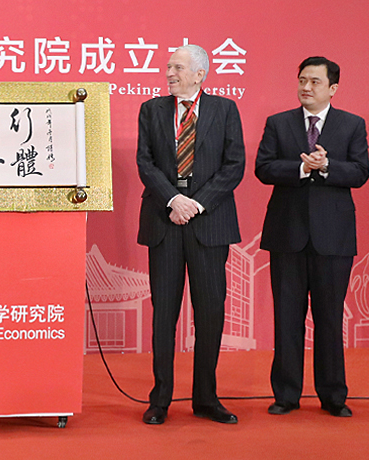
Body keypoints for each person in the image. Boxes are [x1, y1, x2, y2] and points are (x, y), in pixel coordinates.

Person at [135, 44, 245, 425]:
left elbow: (234, 166)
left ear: (200, 74)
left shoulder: (225, 110)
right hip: (164, 219)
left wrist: (196, 204)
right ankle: (160, 399)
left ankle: (206, 398)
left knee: (210, 313)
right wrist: (173, 199)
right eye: (168, 67)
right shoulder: (151, 110)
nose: (170, 73)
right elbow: (145, 162)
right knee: (164, 314)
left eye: (178, 68)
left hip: (208, 223)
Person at [255, 56, 369, 417]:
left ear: (333, 88)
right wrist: (303, 168)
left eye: (315, 82)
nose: (306, 87)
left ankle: (333, 396)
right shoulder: (279, 123)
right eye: (302, 80)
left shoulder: (352, 124)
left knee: (330, 319)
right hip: (287, 235)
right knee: (287, 319)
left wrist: (328, 166)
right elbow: (263, 168)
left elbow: (361, 172)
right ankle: (286, 395)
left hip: (333, 238)